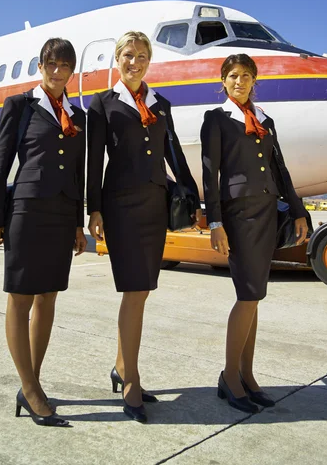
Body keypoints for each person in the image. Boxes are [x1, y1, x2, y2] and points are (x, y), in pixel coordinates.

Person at [87, 31, 201, 423]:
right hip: (120, 208)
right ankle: (131, 379)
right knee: (134, 291)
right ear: (116, 59)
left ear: (149, 62)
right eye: (128, 55)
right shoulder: (101, 104)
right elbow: (93, 164)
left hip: (154, 207)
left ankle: (122, 367)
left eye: (141, 56)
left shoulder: (160, 104)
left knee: (142, 292)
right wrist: (94, 210)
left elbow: (174, 154)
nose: (134, 62)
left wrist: (193, 199)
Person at [0, 38, 87, 427]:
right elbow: (1, 163)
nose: (57, 71)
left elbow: (78, 174)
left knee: (49, 297)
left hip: (61, 215)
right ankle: (29, 389)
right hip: (26, 211)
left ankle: (33, 383)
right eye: (51, 64)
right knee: (21, 298)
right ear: (40, 66)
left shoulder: (79, 116)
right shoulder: (21, 106)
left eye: (64, 65)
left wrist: (78, 222)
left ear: (72, 71)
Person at [201, 53, 308, 413]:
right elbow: (210, 176)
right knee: (247, 294)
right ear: (223, 81)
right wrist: (214, 222)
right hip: (239, 217)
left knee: (255, 296)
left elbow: (281, 170)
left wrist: (297, 210)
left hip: (266, 214)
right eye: (233, 75)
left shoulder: (265, 120)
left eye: (246, 75)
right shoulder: (216, 120)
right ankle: (229, 376)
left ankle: (246, 374)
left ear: (254, 80)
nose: (239, 81)